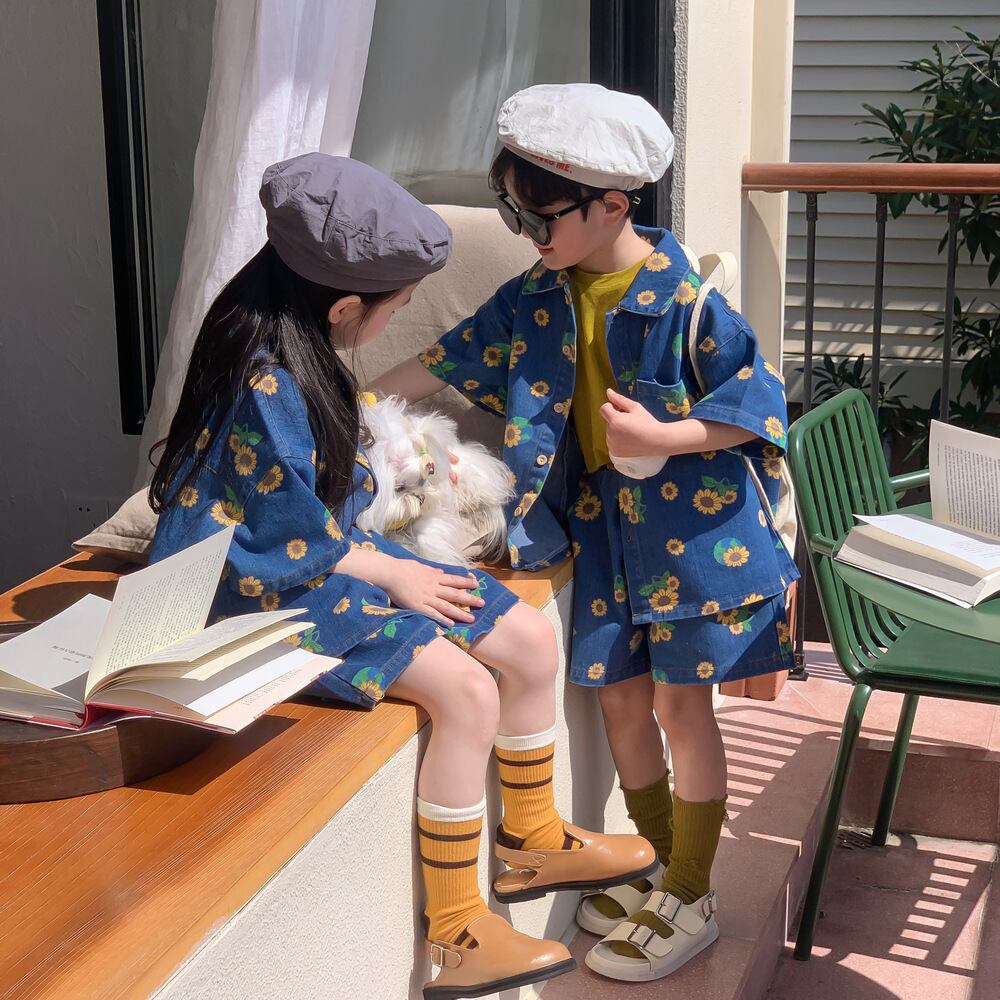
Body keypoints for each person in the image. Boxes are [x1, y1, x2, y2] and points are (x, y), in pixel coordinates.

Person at [147, 152, 655, 1000]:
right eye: (400, 303)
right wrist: (391, 574)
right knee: (467, 692)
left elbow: (318, 511)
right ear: (345, 307)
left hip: (325, 555)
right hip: (253, 594)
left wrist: (387, 534)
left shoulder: (292, 345)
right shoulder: (261, 382)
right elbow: (278, 538)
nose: (404, 314)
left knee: (529, 640)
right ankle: (457, 932)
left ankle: (530, 839)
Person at [370, 84, 800, 982]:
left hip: (697, 537)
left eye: (539, 216)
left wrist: (668, 437)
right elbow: (445, 359)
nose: (526, 233)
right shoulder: (535, 294)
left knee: (683, 710)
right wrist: (351, 406)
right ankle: (661, 870)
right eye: (512, 213)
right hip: (602, 530)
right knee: (620, 704)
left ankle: (694, 892)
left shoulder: (690, 303)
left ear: (612, 204)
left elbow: (758, 406)